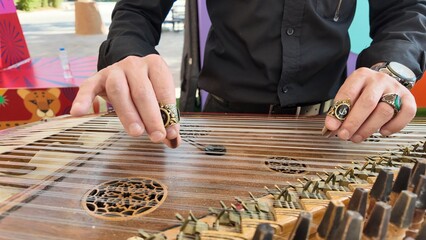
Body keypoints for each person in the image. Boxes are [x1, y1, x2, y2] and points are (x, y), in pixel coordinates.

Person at [70, 0, 426, 149]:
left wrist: (392, 67)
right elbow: (136, 9)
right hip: (223, 124)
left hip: (328, 126)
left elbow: (406, 8)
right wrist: (129, 53)